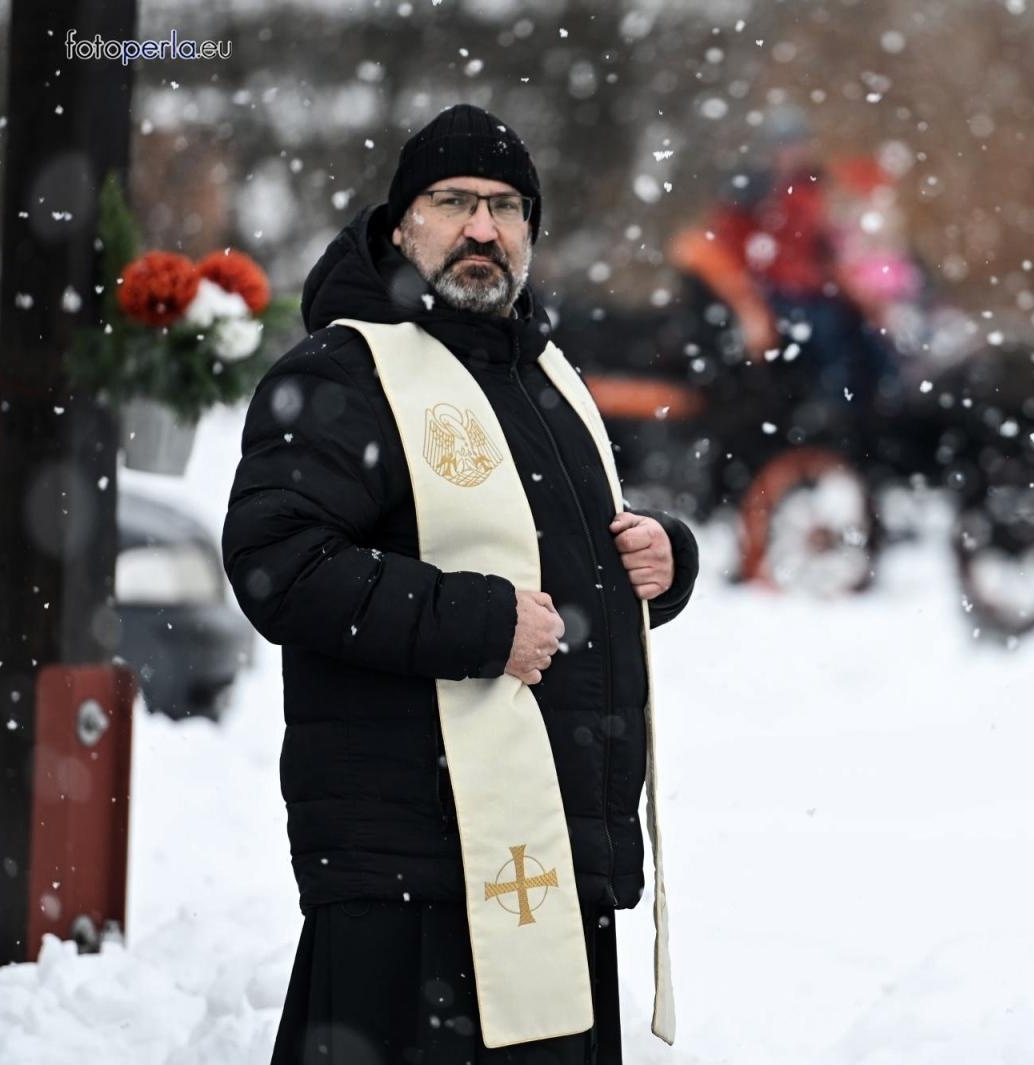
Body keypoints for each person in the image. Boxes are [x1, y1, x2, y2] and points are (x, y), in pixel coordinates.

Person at [222, 103, 698, 1065]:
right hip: (415, 873)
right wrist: (475, 623)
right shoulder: (343, 371)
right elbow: (280, 565)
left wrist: (662, 556)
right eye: (454, 201)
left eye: (508, 206)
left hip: (548, 867)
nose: (484, 228)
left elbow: (553, 558)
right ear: (401, 224)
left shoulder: (542, 375)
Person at [667, 105, 899, 427]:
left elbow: (823, 246)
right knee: (820, 334)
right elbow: (731, 250)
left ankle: (876, 407)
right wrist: (752, 302)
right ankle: (831, 411)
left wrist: (855, 292)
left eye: (798, 144)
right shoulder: (751, 192)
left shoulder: (809, 188)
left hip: (812, 290)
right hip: (777, 293)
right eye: (787, 145)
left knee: (866, 336)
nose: (794, 153)